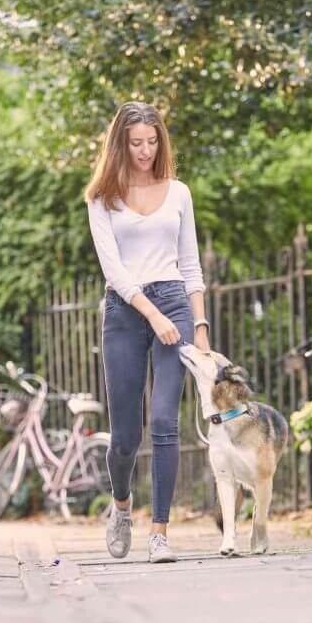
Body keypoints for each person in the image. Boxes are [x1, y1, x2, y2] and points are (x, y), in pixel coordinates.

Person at [84, 102, 211, 563]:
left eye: (152, 141)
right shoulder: (102, 197)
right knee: (124, 437)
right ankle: (121, 507)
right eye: (136, 142)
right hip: (124, 312)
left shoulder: (178, 193)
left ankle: (160, 532)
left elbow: (191, 264)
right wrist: (150, 314)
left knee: (163, 422)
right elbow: (113, 270)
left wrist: (199, 326)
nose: (144, 150)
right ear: (120, 144)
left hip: (174, 303)